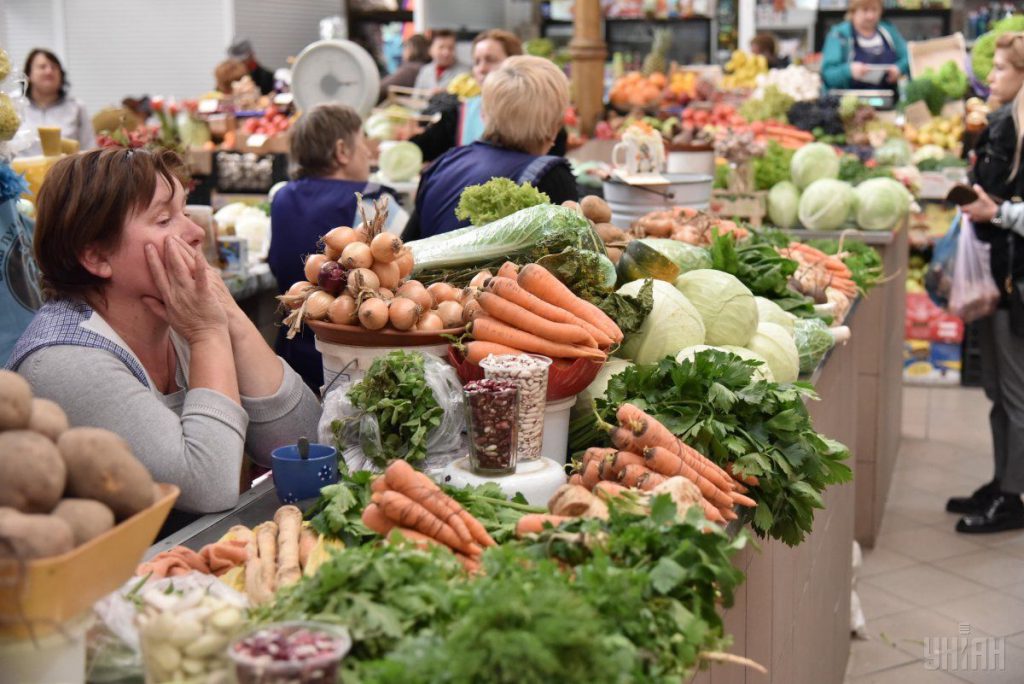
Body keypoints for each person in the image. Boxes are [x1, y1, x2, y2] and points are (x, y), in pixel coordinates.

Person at [6, 148, 321, 530]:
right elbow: (208, 486)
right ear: (96, 256)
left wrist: (230, 318)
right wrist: (207, 334)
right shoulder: (63, 362)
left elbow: (303, 443)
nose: (195, 233)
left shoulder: (176, 315)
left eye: (185, 211)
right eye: (163, 219)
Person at [946, 33, 1024, 533]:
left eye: (1000, 68)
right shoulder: (1005, 124)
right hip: (1001, 273)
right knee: (998, 387)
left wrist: (1003, 212)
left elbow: (1005, 207)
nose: (990, 77)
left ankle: (1015, 496)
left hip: (1018, 278)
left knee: (1015, 392)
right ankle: (1001, 481)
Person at [268, 104, 399, 390]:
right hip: (350, 363)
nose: (368, 151)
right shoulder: (373, 202)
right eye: (362, 141)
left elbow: (277, 262)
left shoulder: (280, 197)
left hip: (291, 356)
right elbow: (395, 276)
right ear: (342, 151)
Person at [402, 56, 578, 241]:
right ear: (554, 126)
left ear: (484, 113)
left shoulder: (445, 162)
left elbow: (403, 248)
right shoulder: (551, 177)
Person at [411, 29, 529, 162]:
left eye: (490, 60)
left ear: (515, 64)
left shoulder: (531, 117)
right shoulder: (459, 114)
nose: (481, 69)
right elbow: (421, 149)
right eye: (477, 62)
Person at [16, 49, 95, 157]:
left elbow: (90, 150)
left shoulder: (77, 107)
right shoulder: (13, 107)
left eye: (54, 67)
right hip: (18, 173)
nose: (49, 71)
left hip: (65, 172)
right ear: (28, 75)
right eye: (42, 67)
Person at [820, 0, 909, 91]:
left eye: (874, 10)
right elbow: (828, 74)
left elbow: (909, 58)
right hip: (849, 100)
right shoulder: (838, 35)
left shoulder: (889, 31)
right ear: (853, 11)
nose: (870, 16)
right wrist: (849, 71)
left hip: (889, 97)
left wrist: (899, 69)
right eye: (865, 10)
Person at [413, 30, 469, 94]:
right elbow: (416, 97)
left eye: (451, 48)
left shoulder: (465, 72)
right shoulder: (425, 71)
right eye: (441, 47)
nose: (446, 53)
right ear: (430, 49)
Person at [379, 34, 430, 102]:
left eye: (405, 47)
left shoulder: (410, 69)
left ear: (412, 49)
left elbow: (383, 87)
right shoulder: (425, 67)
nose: (402, 51)